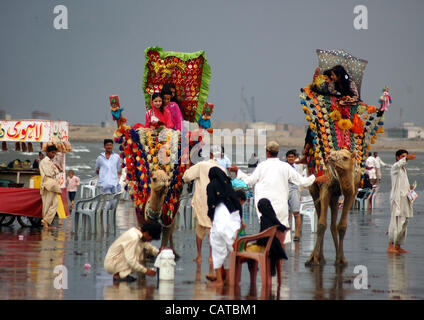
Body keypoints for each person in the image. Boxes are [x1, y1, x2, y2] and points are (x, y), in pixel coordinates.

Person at [229, 141, 328, 243]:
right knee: (281, 233)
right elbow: (302, 181)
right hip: (281, 206)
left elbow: (250, 181)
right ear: (277, 152)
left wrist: (238, 171)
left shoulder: (262, 166)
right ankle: (279, 256)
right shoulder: (285, 167)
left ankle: (268, 253)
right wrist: (316, 178)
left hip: (264, 206)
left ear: (267, 152)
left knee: (266, 232)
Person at [182, 151, 224, 270]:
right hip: (216, 202)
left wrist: (187, 167)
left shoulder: (201, 165)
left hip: (202, 200)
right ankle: (211, 256)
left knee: (200, 228)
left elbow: (186, 176)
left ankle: (199, 255)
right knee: (213, 229)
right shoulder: (221, 168)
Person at [206, 167, 245, 287]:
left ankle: (219, 281)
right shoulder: (228, 184)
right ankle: (229, 279)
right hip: (233, 218)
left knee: (218, 250)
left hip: (220, 219)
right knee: (230, 251)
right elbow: (237, 205)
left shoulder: (211, 186)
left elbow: (211, 204)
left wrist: (211, 218)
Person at [387, 150, 416, 254]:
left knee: (404, 223)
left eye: (406, 156)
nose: (405, 158)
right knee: (395, 223)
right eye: (403, 156)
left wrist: (410, 187)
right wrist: (407, 158)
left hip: (405, 199)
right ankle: (390, 246)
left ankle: (398, 246)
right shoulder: (395, 167)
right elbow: (400, 163)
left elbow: (402, 183)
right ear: (398, 157)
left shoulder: (404, 170)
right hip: (397, 199)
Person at [257, 198, 288, 286]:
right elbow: (282, 228)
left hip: (266, 247)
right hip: (275, 246)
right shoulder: (273, 218)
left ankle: (255, 268)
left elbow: (262, 234)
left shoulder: (264, 219)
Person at [39, 145, 62, 229]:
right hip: (47, 183)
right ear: (47, 152)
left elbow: (56, 171)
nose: (53, 154)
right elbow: (50, 172)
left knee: (55, 203)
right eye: (52, 153)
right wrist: (55, 170)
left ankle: (46, 221)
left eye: (55, 153)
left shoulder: (50, 162)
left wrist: (55, 170)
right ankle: (46, 223)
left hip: (52, 183)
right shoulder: (45, 161)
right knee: (47, 204)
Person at [286, 149, 302, 241]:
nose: (291, 158)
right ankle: (286, 233)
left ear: (295, 158)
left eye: (292, 157)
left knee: (296, 213)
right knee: (285, 214)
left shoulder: (297, 167)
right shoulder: (283, 167)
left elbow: (300, 180)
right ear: (286, 158)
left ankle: (297, 234)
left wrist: (299, 193)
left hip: (294, 190)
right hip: (285, 190)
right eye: (289, 157)